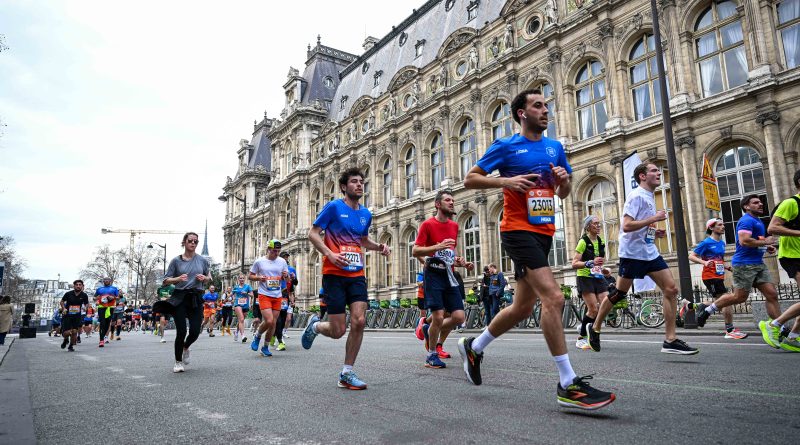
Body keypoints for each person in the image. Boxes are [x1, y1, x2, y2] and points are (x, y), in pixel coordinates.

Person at [461, 88, 615, 409]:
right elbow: (470, 179)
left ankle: (474, 347)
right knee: (554, 298)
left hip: (544, 232)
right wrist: (506, 182)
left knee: (520, 308)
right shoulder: (506, 146)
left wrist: (563, 180)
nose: (546, 110)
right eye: (538, 106)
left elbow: (564, 192)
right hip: (517, 231)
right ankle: (567, 382)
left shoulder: (554, 147)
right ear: (522, 113)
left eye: (547, 105)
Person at [586, 163, 698, 355]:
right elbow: (627, 226)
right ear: (642, 176)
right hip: (632, 254)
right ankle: (595, 327)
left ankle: (670, 340)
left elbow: (641, 226)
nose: (659, 173)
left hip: (649, 251)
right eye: (654, 171)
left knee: (670, 289)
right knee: (619, 293)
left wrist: (654, 231)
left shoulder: (649, 196)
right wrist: (653, 219)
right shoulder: (636, 195)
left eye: (658, 171)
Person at [304, 167, 391, 390]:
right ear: (344, 186)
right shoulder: (334, 208)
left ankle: (347, 372)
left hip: (356, 274)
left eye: (362, 181)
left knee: (359, 321)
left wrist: (378, 246)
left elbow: (361, 240)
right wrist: (330, 254)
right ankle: (315, 327)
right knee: (337, 331)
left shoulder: (366, 214)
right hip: (333, 275)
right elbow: (313, 233)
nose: (359, 185)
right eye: (354, 181)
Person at [694, 195, 783, 335]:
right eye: (755, 202)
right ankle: (708, 310)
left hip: (758, 264)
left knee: (772, 295)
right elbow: (744, 241)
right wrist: (704, 262)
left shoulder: (758, 222)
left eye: (760, 202)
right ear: (746, 207)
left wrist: (765, 247)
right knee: (739, 297)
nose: (760, 204)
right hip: (743, 265)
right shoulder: (746, 221)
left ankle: (778, 328)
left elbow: (756, 241)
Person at [413, 190, 473, 368]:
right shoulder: (427, 224)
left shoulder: (454, 226)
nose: (452, 203)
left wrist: (461, 262)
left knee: (458, 317)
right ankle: (431, 355)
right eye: (447, 200)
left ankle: (428, 328)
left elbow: (448, 254)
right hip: (433, 275)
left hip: (450, 275)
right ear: (438, 204)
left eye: (453, 200)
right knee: (438, 316)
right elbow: (415, 250)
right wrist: (436, 246)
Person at [158, 232, 211, 373]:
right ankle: (178, 361)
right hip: (180, 297)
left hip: (196, 296)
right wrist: (177, 279)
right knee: (181, 331)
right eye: (190, 241)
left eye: (195, 241)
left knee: (194, 331)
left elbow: (209, 277)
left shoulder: (202, 261)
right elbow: (165, 281)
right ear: (184, 242)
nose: (193, 243)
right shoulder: (176, 261)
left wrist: (204, 278)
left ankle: (186, 347)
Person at [761, 169, 800, 351]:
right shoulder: (791, 203)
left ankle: (792, 337)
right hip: (793, 256)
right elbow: (772, 228)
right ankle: (773, 325)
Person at [688, 218, 747, 339]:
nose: (723, 226)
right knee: (726, 301)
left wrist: (729, 267)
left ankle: (698, 306)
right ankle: (729, 330)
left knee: (722, 302)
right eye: (720, 225)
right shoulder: (706, 243)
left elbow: (720, 260)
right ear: (711, 228)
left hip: (719, 275)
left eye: (723, 224)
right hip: (710, 276)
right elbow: (691, 256)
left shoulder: (722, 243)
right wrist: (704, 262)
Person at [571, 215, 608, 350]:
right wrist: (588, 263)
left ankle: (585, 324)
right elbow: (574, 263)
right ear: (588, 226)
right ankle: (581, 338)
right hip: (585, 277)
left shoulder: (601, 241)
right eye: (595, 224)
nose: (598, 226)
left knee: (606, 304)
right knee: (593, 309)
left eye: (599, 224)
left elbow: (599, 263)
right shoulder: (583, 242)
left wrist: (604, 270)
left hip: (597, 277)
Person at [248, 239, 290, 357]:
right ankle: (257, 335)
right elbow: (250, 276)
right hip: (264, 294)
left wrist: (286, 276)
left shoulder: (282, 261)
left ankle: (265, 347)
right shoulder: (259, 262)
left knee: (273, 324)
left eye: (278, 251)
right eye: (274, 251)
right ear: (268, 249)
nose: (276, 253)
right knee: (269, 320)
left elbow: (287, 280)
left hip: (277, 296)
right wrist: (259, 278)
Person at [272, 250, 298, 351]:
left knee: (284, 318)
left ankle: (278, 335)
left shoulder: (291, 269)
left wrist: (293, 277)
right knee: (276, 318)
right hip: (275, 293)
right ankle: (277, 337)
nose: (286, 259)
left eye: (287, 257)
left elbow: (295, 283)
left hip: (286, 295)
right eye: (284, 257)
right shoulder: (275, 268)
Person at [59, 280, 89, 351]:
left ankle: (71, 346)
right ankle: (65, 339)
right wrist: (64, 308)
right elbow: (62, 301)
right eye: (77, 285)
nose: (78, 286)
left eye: (80, 285)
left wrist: (85, 307)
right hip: (67, 315)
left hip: (77, 316)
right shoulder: (68, 293)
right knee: (66, 332)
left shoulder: (84, 295)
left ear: (82, 286)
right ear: (74, 286)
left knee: (75, 331)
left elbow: (87, 303)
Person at [94, 277, 119, 347]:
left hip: (110, 307)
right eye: (105, 280)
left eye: (108, 280)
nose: (106, 281)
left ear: (110, 281)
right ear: (103, 281)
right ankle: (101, 340)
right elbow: (94, 297)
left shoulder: (114, 288)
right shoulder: (99, 289)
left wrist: (113, 297)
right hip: (101, 307)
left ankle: (104, 335)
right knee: (102, 322)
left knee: (107, 323)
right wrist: (96, 299)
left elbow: (118, 297)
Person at [232, 274, 253, 343]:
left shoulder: (248, 286)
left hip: (245, 305)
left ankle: (236, 331)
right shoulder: (236, 287)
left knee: (241, 320)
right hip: (237, 304)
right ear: (238, 279)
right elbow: (231, 294)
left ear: (245, 279)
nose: (242, 279)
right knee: (241, 319)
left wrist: (246, 293)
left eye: (243, 278)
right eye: (240, 278)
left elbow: (252, 295)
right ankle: (243, 335)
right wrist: (226, 299)